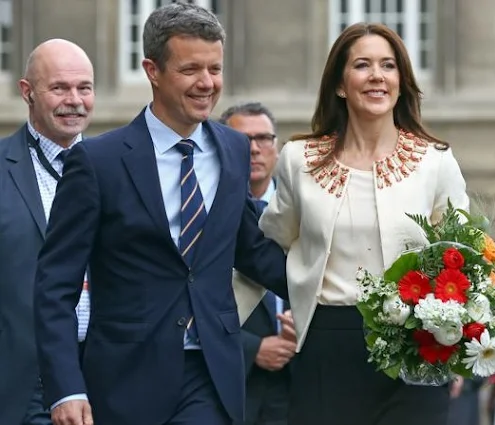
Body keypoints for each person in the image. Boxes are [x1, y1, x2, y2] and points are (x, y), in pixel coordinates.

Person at [34, 4, 287, 425]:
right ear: (152, 70)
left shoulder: (234, 150)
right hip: (124, 380)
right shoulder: (97, 161)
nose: (207, 83)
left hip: (212, 372)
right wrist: (66, 388)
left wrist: (340, 288)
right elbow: (55, 286)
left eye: (215, 69)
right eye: (191, 70)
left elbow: (250, 248)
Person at [259, 23, 470, 425]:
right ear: (340, 84)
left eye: (388, 65)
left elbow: (464, 257)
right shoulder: (297, 159)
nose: (377, 75)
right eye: (362, 65)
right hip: (327, 343)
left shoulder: (436, 161)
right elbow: (277, 240)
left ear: (400, 81)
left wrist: (455, 339)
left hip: (415, 343)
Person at [0, 39, 94, 425]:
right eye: (59, 88)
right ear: (27, 92)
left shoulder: (120, 167)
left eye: (84, 88)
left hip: (104, 380)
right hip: (22, 386)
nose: (74, 100)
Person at [220, 102, 294, 425]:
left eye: (263, 138)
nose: (253, 149)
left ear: (277, 149)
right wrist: (252, 349)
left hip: (299, 387)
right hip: (235, 385)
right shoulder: (202, 213)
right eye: (242, 139)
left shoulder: (303, 212)